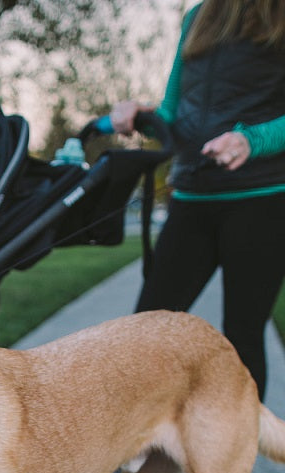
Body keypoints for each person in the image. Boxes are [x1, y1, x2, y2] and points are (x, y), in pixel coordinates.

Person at [110, 0, 285, 399]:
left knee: (242, 335)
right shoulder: (198, 15)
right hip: (192, 195)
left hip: (262, 198)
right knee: (145, 329)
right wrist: (140, 115)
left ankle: (240, 438)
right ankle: (140, 435)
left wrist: (252, 140)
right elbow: (174, 112)